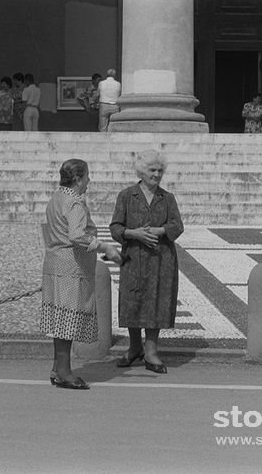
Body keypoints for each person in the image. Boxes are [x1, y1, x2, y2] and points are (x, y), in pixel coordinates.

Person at [41, 159, 123, 389]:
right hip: (71, 267)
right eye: (87, 176)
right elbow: (77, 235)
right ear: (78, 179)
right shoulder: (74, 203)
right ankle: (65, 372)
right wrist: (105, 247)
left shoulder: (56, 198)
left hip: (55, 264)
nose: (89, 181)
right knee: (67, 320)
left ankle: (58, 367)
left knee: (60, 319)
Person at [110, 150, 184, 374]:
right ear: (142, 171)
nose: (157, 174)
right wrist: (135, 234)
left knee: (157, 301)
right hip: (134, 257)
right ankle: (134, 347)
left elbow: (177, 226)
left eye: (160, 170)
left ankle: (151, 351)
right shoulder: (126, 196)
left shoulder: (167, 198)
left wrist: (160, 230)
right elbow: (115, 228)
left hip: (161, 259)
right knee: (133, 299)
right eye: (153, 170)